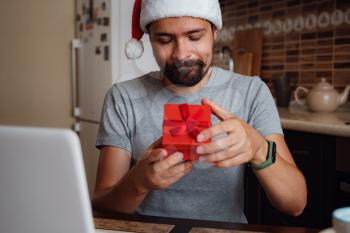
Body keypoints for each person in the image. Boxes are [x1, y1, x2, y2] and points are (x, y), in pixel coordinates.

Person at [92, 0, 307, 223]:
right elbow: (101, 206)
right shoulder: (123, 97)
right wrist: (137, 183)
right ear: (149, 38)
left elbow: (295, 203)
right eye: (165, 39)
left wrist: (259, 148)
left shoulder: (251, 92)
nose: (181, 54)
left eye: (194, 37)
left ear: (214, 32)